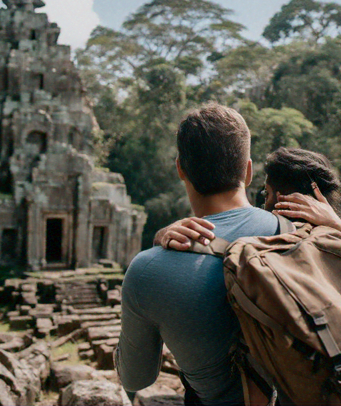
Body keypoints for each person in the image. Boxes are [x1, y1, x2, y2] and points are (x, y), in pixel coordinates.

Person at [115, 103, 281, 406]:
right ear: (248, 170)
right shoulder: (299, 231)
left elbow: (135, 379)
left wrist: (157, 256)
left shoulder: (149, 271)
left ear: (180, 168)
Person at [156, 146, 341, 251]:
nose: (264, 204)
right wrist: (339, 228)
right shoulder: (340, 250)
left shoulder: (265, 245)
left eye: (266, 194)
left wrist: (161, 237)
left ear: (282, 199)